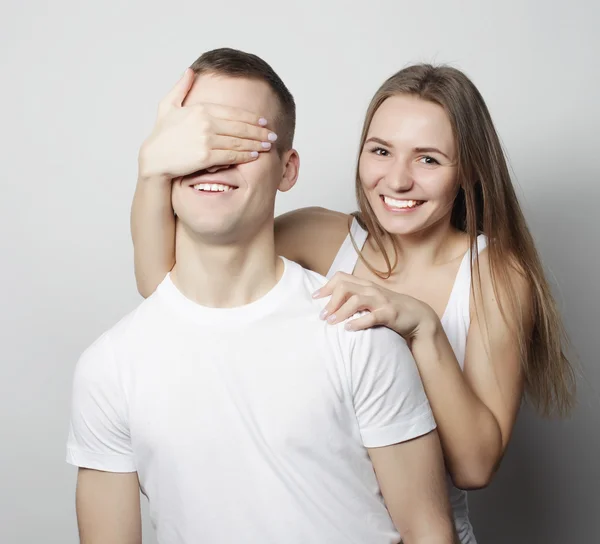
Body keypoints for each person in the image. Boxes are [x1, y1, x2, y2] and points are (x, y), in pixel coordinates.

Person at [130, 54, 577, 543]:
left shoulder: (494, 274)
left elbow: (475, 465)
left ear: (468, 171)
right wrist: (154, 167)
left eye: (428, 159)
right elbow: (167, 287)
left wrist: (423, 327)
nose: (398, 179)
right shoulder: (320, 236)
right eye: (381, 151)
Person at [67, 48, 458, 544]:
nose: (213, 159)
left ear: (287, 169)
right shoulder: (109, 367)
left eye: (242, 140)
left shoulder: (356, 331)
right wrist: (151, 167)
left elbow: (430, 530)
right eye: (195, 140)